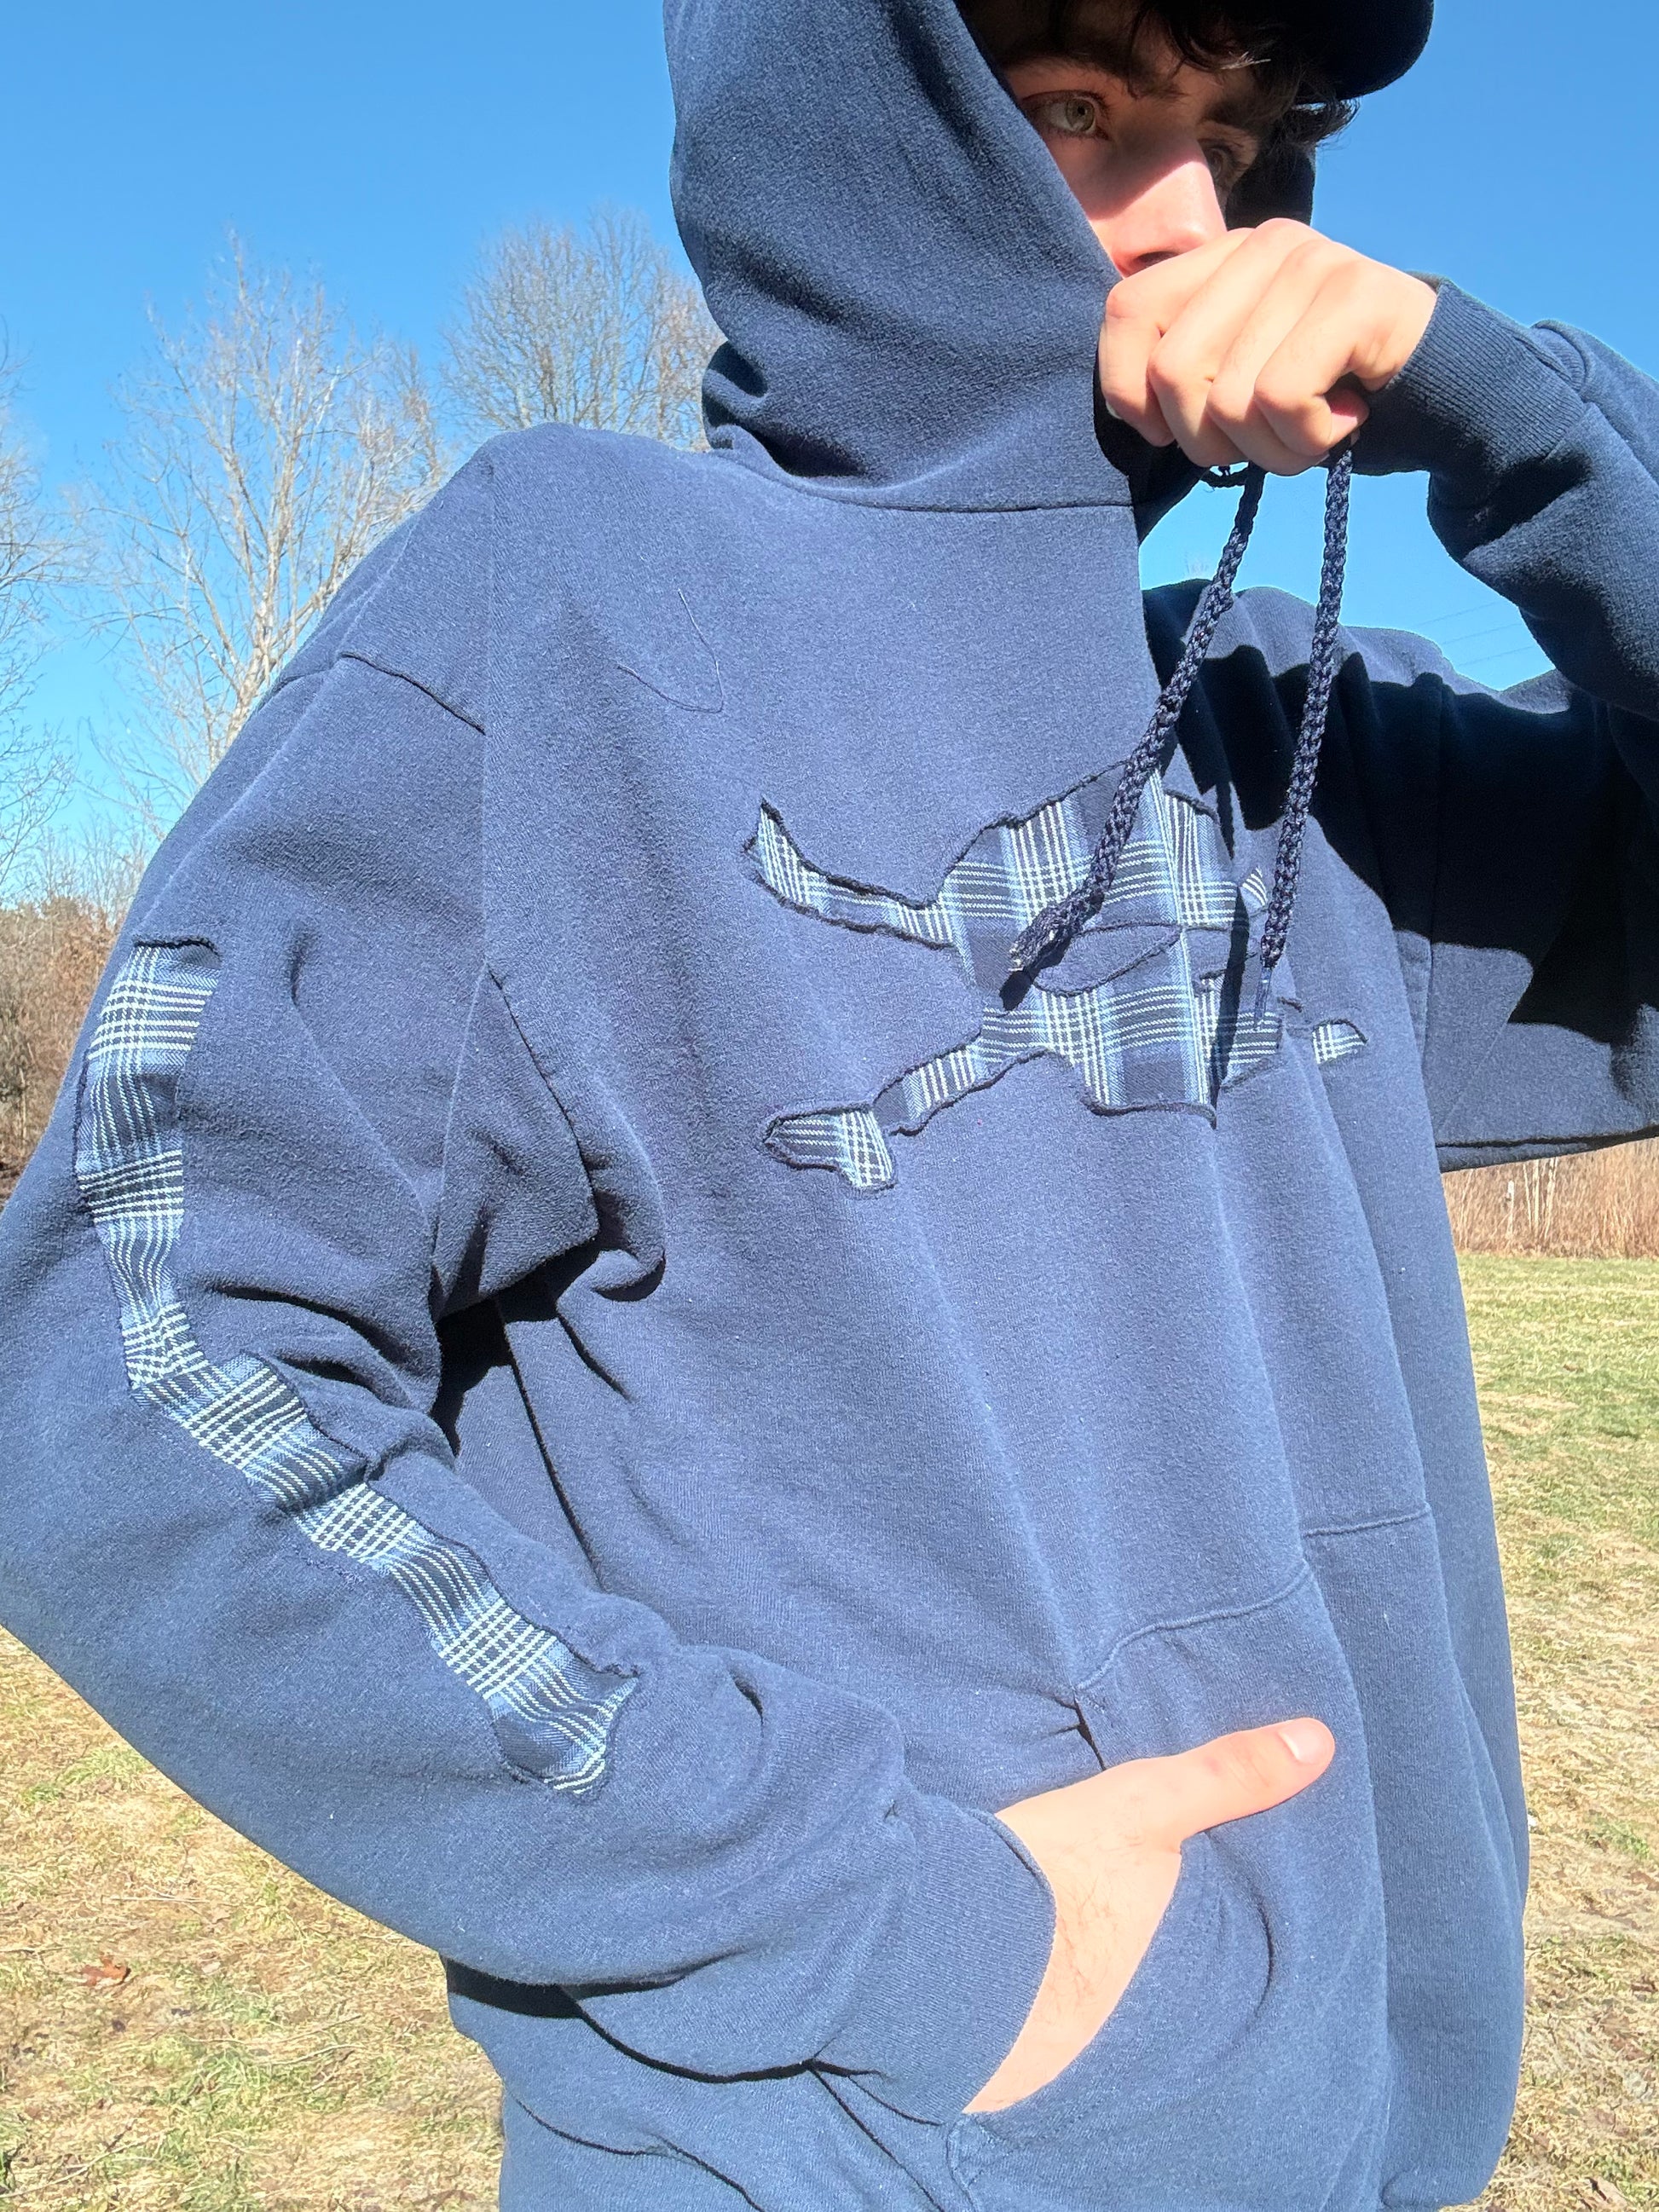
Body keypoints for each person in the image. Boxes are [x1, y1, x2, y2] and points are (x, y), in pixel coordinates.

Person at [3, 0, 1656, 2202]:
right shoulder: (573, 605)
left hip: (1365, 2131)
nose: (1191, 214)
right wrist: (902, 1935)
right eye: (1080, 110)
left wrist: (1527, 425)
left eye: (1241, 134)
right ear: (856, 113)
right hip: (852, 2143)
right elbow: (121, 1371)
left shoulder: (1298, 728)